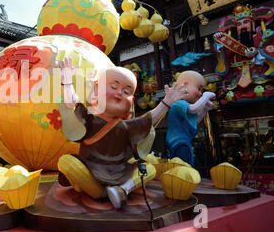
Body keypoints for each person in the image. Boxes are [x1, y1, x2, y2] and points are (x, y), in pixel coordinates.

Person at [57, 58, 187, 209]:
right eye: (113, 86)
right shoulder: (90, 119)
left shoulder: (125, 126)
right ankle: (101, 192)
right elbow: (72, 104)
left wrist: (166, 102)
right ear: (97, 89)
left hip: (120, 174)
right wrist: (67, 82)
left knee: (149, 169)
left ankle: (122, 190)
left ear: (131, 100)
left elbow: (148, 120)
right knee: (66, 161)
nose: (119, 93)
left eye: (126, 92)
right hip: (91, 171)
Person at [165, 71, 215, 168]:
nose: (200, 93)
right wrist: (206, 96)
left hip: (181, 141)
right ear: (185, 85)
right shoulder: (178, 103)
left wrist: (205, 108)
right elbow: (194, 109)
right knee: (186, 168)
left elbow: (194, 121)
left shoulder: (183, 105)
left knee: (184, 166)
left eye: (202, 90)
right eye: (199, 89)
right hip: (179, 142)